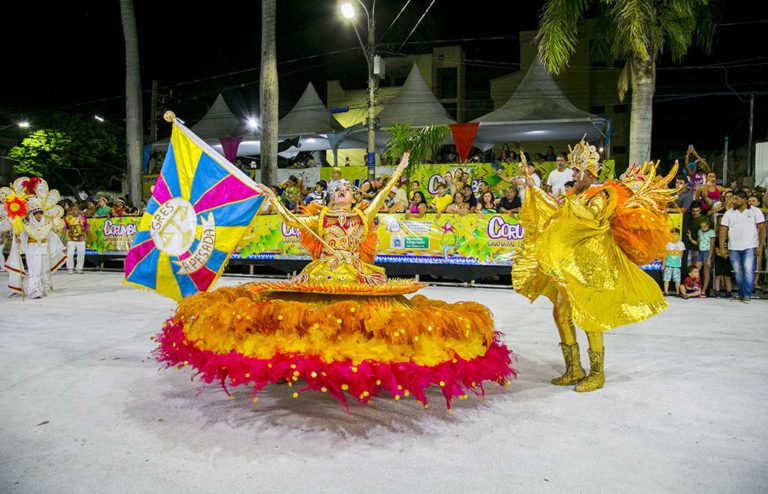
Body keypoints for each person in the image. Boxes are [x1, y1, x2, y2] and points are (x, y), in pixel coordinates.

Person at [153, 153, 515, 408]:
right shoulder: (321, 217)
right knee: (303, 314)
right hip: (324, 271)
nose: (343, 192)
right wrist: (273, 198)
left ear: (354, 196)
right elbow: (293, 221)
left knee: (373, 316)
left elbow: (385, 194)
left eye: (346, 189)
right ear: (329, 196)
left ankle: (367, 363)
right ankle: (299, 359)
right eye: (337, 189)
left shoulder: (362, 214)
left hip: (356, 273)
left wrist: (399, 170)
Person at [512, 140, 677, 392]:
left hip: (594, 268)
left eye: (576, 171)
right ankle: (574, 368)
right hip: (572, 267)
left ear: (589, 172)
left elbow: (592, 216)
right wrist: (534, 189)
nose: (573, 175)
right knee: (561, 314)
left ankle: (597, 373)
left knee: (590, 318)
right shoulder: (575, 195)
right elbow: (555, 209)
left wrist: (568, 205)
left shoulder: (603, 193)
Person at [719, 191, 766, 303]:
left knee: (748, 270)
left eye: (736, 199)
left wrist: (760, 247)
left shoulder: (755, 211)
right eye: (733, 199)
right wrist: (722, 247)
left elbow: (763, 229)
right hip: (733, 247)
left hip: (750, 246)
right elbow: (723, 230)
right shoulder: (729, 213)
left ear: (744, 199)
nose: (733, 201)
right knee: (738, 271)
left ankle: (747, 295)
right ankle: (741, 294)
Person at [17, 199, 66, 298]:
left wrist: (60, 246)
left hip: (44, 249)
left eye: (40, 213)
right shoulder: (27, 226)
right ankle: (33, 290)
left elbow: (52, 237)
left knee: (44, 270)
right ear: (32, 215)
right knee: (35, 270)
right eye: (36, 213)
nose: (39, 215)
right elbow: (22, 236)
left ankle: (43, 288)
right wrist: (18, 239)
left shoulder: (46, 225)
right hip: (33, 249)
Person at [687, 217, 716, 297]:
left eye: (705, 227)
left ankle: (703, 291)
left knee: (706, 272)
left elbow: (712, 246)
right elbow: (698, 243)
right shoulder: (700, 231)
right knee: (696, 270)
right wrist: (690, 238)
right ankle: (694, 288)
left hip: (708, 252)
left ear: (708, 225)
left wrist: (709, 259)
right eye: (702, 227)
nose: (703, 228)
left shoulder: (712, 232)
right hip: (700, 251)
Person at [64, 203, 89, 274]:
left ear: (79, 210)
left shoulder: (83, 218)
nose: (75, 211)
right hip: (70, 238)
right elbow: (64, 229)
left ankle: (79, 268)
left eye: (77, 209)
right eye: (73, 209)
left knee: (81, 253)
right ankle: (70, 268)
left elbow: (86, 228)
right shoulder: (67, 218)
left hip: (81, 239)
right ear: (71, 211)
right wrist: (63, 239)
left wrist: (89, 237)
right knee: (70, 253)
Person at [662, 229, 685, 296]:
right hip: (668, 264)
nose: (674, 236)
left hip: (677, 265)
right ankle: (666, 291)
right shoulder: (668, 244)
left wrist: (679, 262)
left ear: (678, 235)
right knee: (666, 278)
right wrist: (663, 265)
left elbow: (681, 254)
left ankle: (678, 292)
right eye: (672, 235)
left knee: (677, 279)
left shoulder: (681, 244)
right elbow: (664, 255)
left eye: (676, 234)